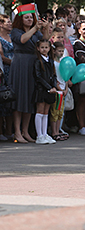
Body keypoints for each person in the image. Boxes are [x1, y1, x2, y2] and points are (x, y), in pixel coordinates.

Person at [10, 10, 44, 146]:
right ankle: (17, 131)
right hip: (20, 64)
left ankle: (25, 131)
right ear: (21, 19)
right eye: (27, 17)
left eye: (31, 17)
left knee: (30, 97)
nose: (30, 19)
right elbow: (22, 39)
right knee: (19, 97)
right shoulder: (15, 31)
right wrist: (35, 28)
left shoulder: (36, 32)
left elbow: (44, 41)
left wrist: (45, 28)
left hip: (32, 63)